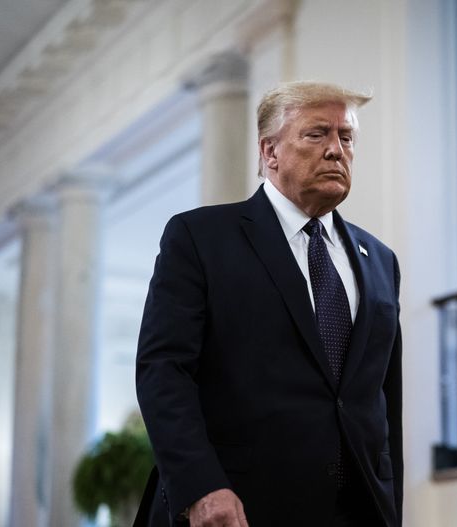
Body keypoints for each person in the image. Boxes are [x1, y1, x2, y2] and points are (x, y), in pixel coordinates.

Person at [134, 81, 403, 527]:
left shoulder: (380, 261)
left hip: (357, 510)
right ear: (270, 152)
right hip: (237, 506)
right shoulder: (200, 238)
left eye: (347, 137)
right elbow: (164, 369)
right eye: (317, 134)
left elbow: (383, 400)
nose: (336, 150)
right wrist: (200, 485)